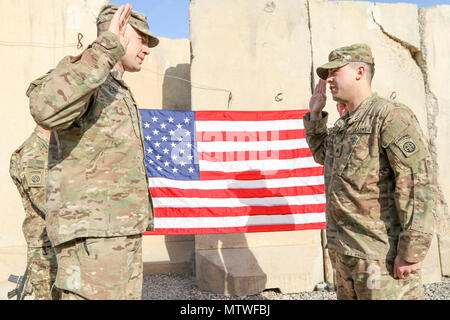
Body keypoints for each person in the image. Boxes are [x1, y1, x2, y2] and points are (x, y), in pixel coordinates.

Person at [27, 4, 158, 300]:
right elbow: (45, 108)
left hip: (116, 235)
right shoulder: (88, 79)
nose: (148, 49)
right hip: (93, 239)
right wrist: (107, 46)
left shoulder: (115, 89)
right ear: (119, 32)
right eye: (143, 39)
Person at [303, 43, 436, 299]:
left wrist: (411, 252)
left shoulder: (389, 116)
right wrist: (315, 115)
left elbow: (418, 184)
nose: (328, 79)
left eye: (334, 72)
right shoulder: (345, 124)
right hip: (345, 253)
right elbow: (324, 156)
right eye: (326, 75)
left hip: (379, 258)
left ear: (359, 72)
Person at [9, 125, 59, 300]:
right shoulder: (34, 152)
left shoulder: (52, 148)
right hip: (45, 247)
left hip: (57, 241)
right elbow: (45, 201)